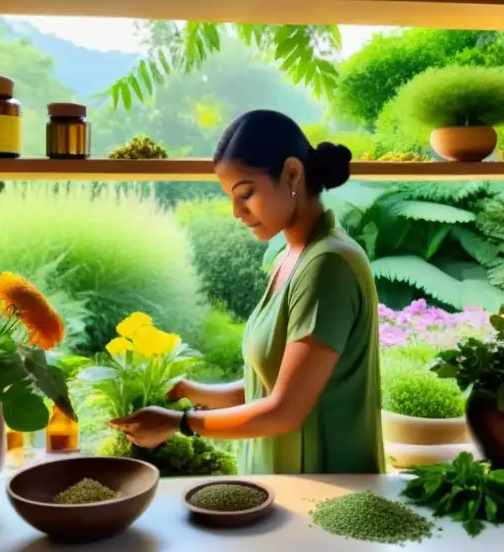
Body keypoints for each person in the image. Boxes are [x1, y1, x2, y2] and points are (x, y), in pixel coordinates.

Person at [110, 109, 384, 475]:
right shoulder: (291, 256)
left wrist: (179, 424)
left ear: (291, 174)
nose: (236, 211)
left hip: (322, 491)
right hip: (282, 482)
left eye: (246, 193)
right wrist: (194, 390)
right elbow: (272, 385)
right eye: (231, 197)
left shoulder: (328, 265)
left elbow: (284, 411)